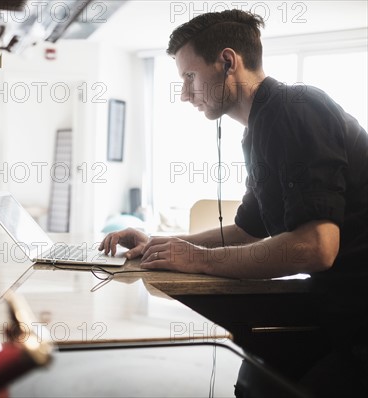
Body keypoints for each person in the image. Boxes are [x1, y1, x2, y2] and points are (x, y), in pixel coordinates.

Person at [98, 9, 368, 397]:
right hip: (341, 315)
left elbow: (317, 247)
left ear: (227, 61)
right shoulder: (259, 132)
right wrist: (159, 243)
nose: (184, 93)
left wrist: (197, 259)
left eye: (189, 77)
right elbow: (248, 229)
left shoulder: (296, 111)